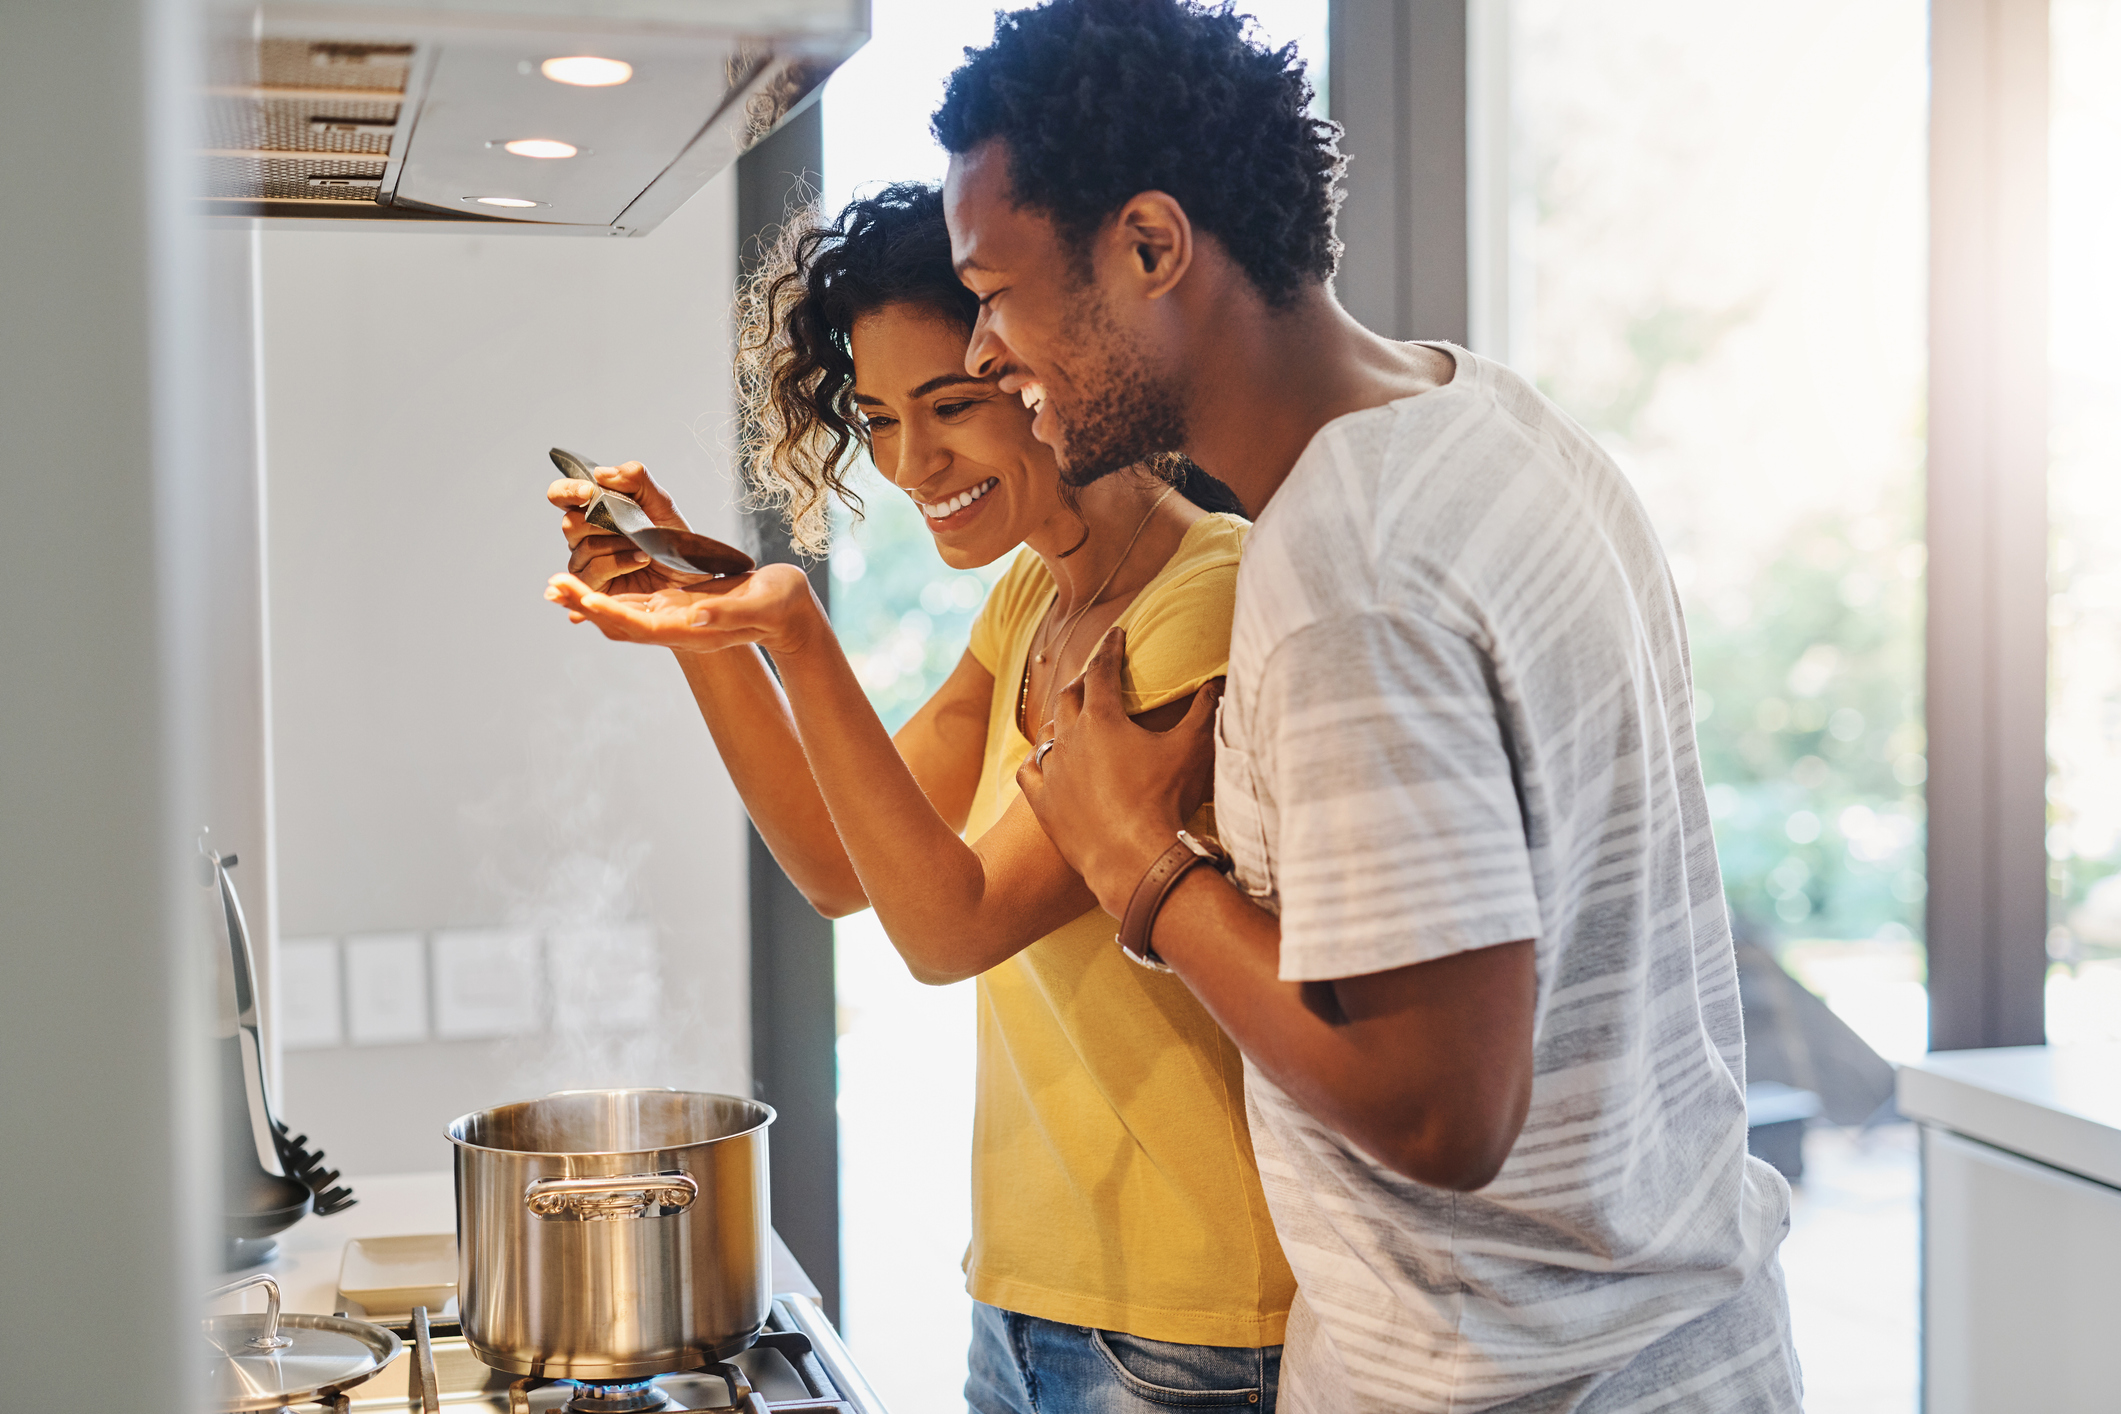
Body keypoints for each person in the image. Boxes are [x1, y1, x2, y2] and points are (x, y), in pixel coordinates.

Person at [930, 3, 1803, 1411]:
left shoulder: (1345, 571)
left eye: (997, 290)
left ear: (1151, 246)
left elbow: (1436, 1107)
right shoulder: (1499, 422)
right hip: (1682, 1340)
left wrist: (1142, 867)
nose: (981, 350)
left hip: (1514, 1380)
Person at [541, 183, 1294, 1411]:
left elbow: (951, 926)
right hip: (1029, 1292)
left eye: (951, 405)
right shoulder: (1037, 600)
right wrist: (705, 629)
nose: (908, 462)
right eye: (880, 419)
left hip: (1188, 1323)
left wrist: (793, 626)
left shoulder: (1201, 600)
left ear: (1050, 369)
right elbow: (844, 866)